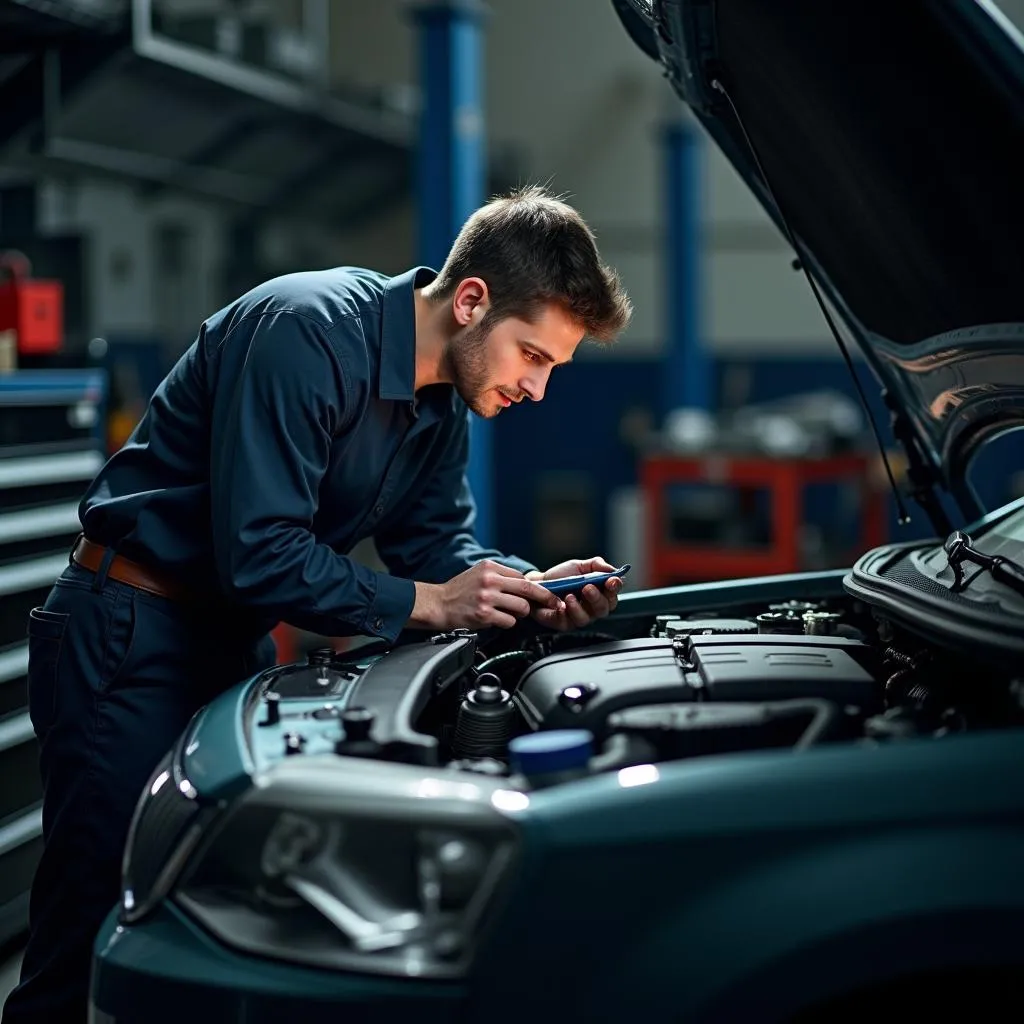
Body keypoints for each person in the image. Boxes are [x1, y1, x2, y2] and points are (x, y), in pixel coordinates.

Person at [2, 184, 633, 1023]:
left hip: (227, 641)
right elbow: (262, 553)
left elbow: (440, 548)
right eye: (534, 356)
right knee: (92, 927)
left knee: (199, 918)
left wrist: (531, 591)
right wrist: (433, 604)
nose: (538, 388)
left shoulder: (444, 401)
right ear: (473, 300)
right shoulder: (307, 332)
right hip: (130, 630)